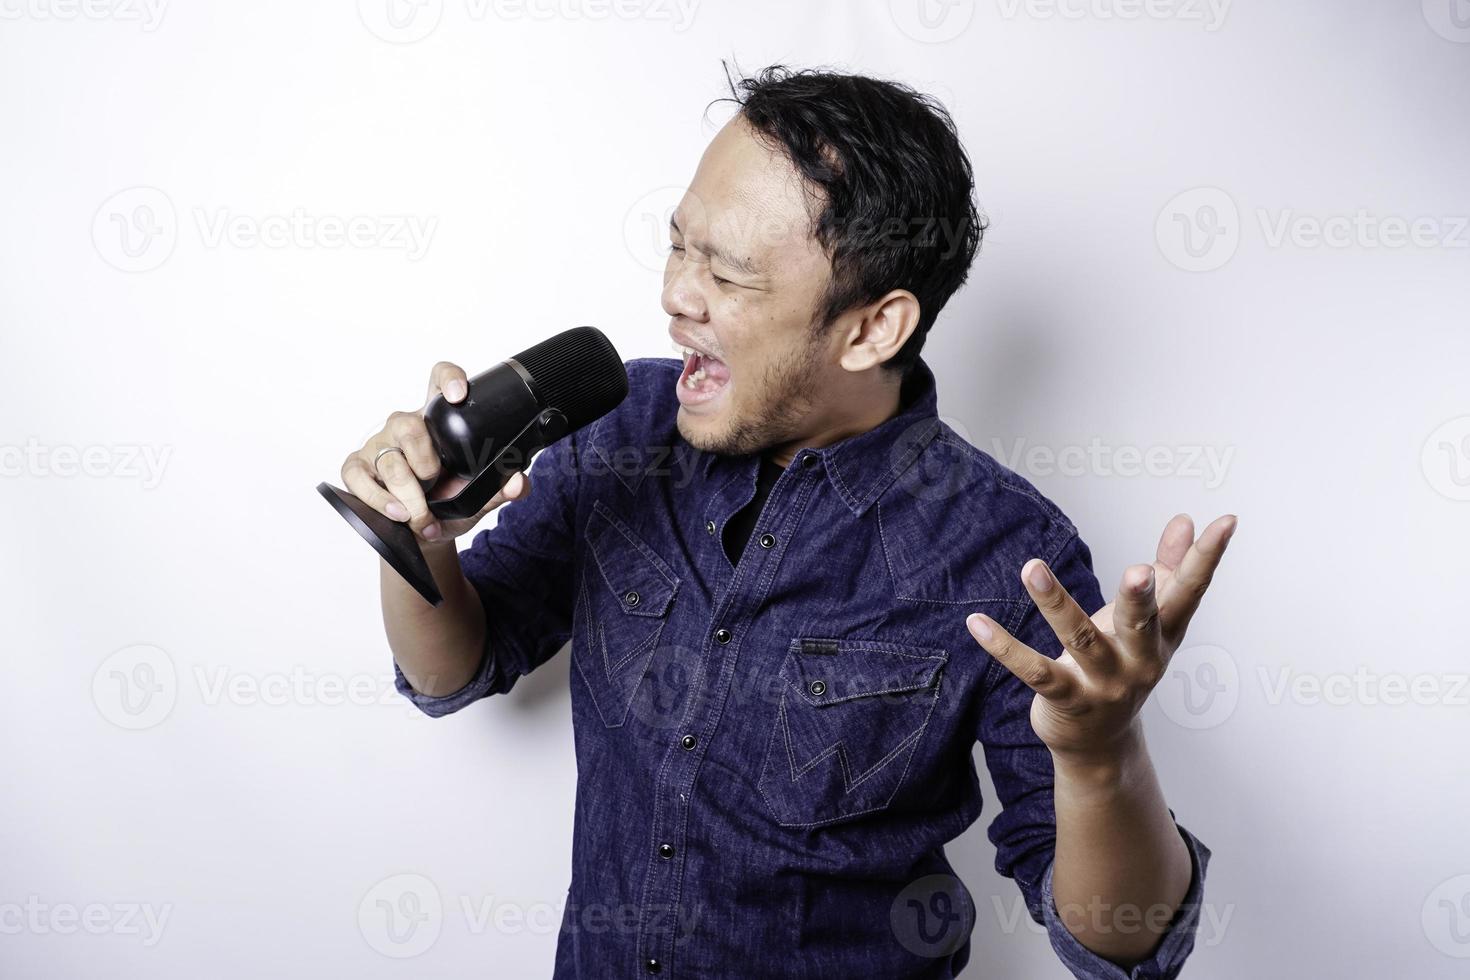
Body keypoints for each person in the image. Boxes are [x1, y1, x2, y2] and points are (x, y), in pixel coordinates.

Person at [340, 65, 1236, 979]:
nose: (677, 295)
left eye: (727, 273)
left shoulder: (1007, 551)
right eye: (679, 245)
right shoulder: (620, 429)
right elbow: (450, 665)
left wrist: (1098, 755)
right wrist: (417, 542)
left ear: (871, 330)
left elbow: (1121, 943)